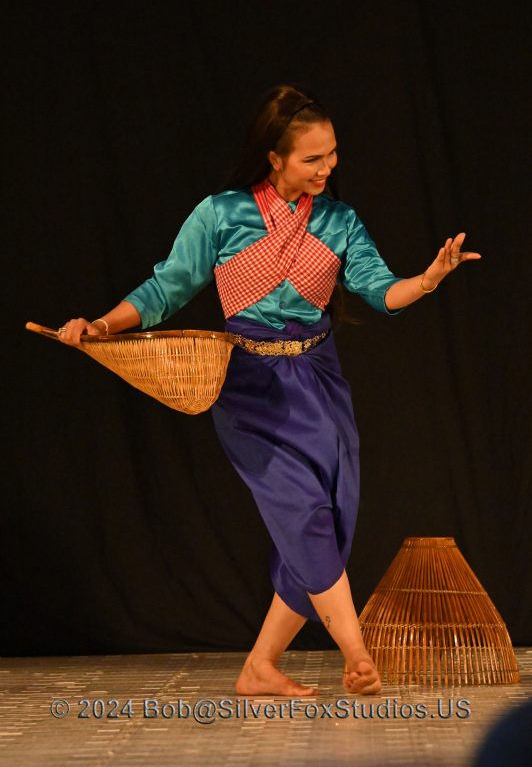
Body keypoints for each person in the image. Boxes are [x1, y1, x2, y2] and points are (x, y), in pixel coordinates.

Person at [58, 85, 481, 697]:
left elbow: (381, 291)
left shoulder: (338, 221)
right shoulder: (221, 215)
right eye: (313, 158)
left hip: (319, 381)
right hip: (251, 387)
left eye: (332, 154)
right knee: (303, 514)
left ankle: (259, 666)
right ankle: (356, 651)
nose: (327, 167)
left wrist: (429, 278)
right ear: (274, 158)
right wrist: (101, 325)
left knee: (331, 520)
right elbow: (165, 288)